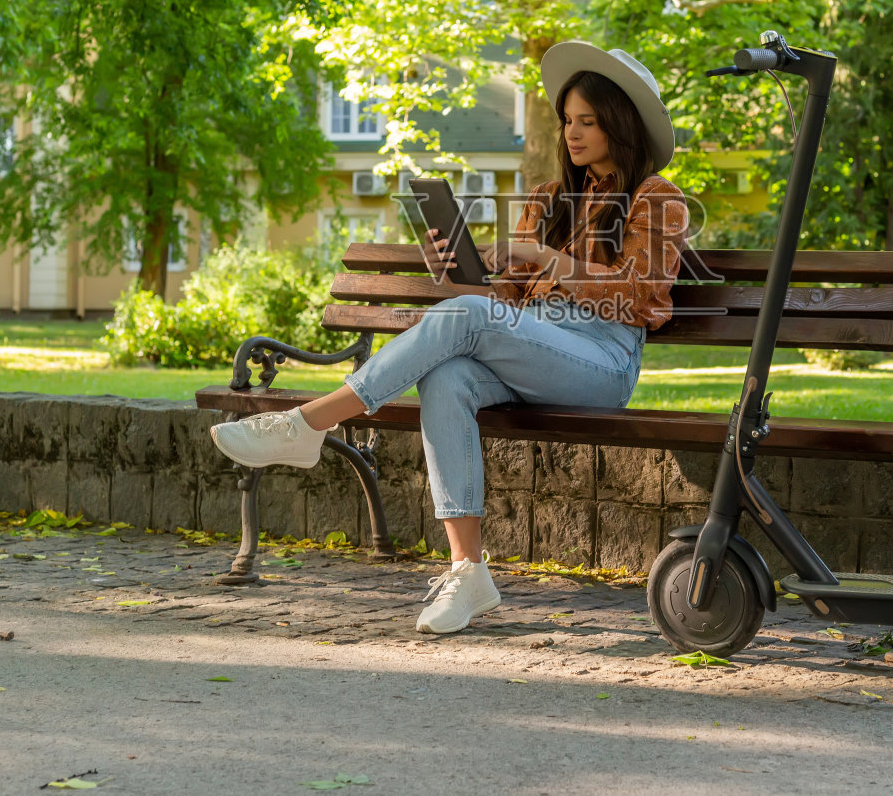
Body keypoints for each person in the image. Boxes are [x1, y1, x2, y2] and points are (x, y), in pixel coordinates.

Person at [210, 41, 689, 633]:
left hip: (601, 363)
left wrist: (544, 259)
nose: (573, 132)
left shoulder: (657, 199)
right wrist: (461, 269)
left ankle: (309, 423)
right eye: (567, 120)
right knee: (449, 374)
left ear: (621, 123)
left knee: (465, 320)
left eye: (588, 121)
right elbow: (503, 306)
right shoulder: (547, 201)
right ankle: (468, 571)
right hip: (536, 350)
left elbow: (642, 295)